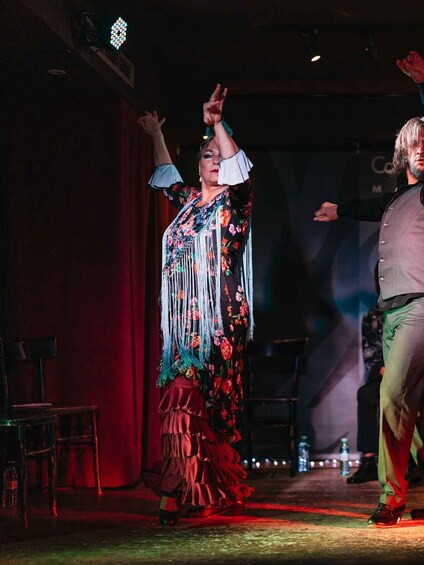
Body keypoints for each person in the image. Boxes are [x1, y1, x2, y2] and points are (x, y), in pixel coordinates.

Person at [314, 51, 424, 527]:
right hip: (394, 313)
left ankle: (392, 496)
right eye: (416, 144)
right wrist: (340, 210)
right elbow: (372, 205)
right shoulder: (396, 199)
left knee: (391, 396)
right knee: (417, 407)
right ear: (402, 152)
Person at [138, 84, 255, 526]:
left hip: (221, 322)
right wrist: (155, 134)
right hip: (183, 326)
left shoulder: (235, 203)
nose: (216, 160)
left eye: (221, 155)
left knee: (208, 406)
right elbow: (166, 175)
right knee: (179, 397)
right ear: (199, 164)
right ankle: (174, 490)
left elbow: (241, 171)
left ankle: (203, 486)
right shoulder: (188, 204)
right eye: (208, 155)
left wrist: (217, 123)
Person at [346, 267, 384, 485]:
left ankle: (415, 462)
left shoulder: (412, 312)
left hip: (412, 376)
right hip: (384, 376)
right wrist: (383, 368)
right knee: (366, 394)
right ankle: (369, 461)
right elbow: (371, 357)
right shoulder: (373, 316)